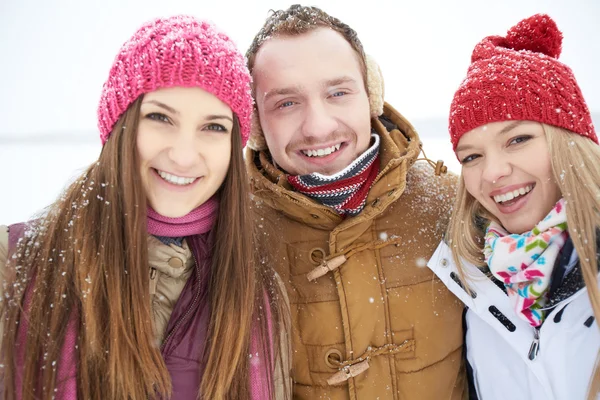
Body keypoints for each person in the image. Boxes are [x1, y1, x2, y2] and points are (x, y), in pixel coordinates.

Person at [0, 15, 290, 399]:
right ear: (120, 124)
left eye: (214, 127)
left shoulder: (259, 291)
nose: (184, 156)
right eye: (160, 117)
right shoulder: (14, 263)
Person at [244, 4, 465, 399]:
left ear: (371, 95)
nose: (318, 126)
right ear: (257, 122)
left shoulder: (453, 204)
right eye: (286, 103)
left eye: (338, 93)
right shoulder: (230, 231)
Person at [427, 13, 600, 400]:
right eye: (471, 157)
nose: (492, 173)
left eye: (518, 139)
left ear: (570, 140)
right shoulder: (474, 286)